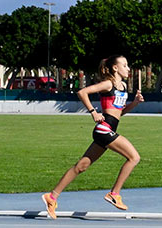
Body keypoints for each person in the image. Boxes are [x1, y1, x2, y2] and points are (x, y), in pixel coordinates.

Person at [41, 55, 144, 219]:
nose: (128, 68)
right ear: (115, 68)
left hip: (108, 128)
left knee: (81, 166)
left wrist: (134, 104)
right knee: (134, 157)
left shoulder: (122, 86)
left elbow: (118, 113)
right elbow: (82, 92)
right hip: (104, 129)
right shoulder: (107, 83)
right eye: (124, 65)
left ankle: (52, 197)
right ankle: (114, 194)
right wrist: (93, 112)